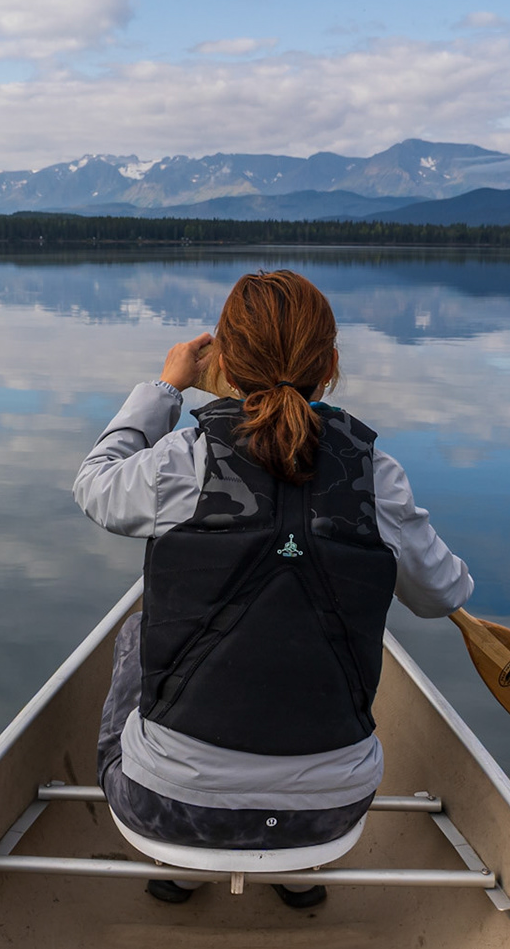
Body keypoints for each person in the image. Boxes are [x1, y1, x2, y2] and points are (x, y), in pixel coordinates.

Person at [73, 270, 473, 908]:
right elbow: (442, 594)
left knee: (134, 630)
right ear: (333, 364)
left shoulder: (184, 458)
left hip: (166, 810)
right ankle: (296, 876)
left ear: (225, 363)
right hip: (333, 816)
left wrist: (167, 387)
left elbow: (95, 484)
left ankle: (181, 872)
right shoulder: (377, 474)